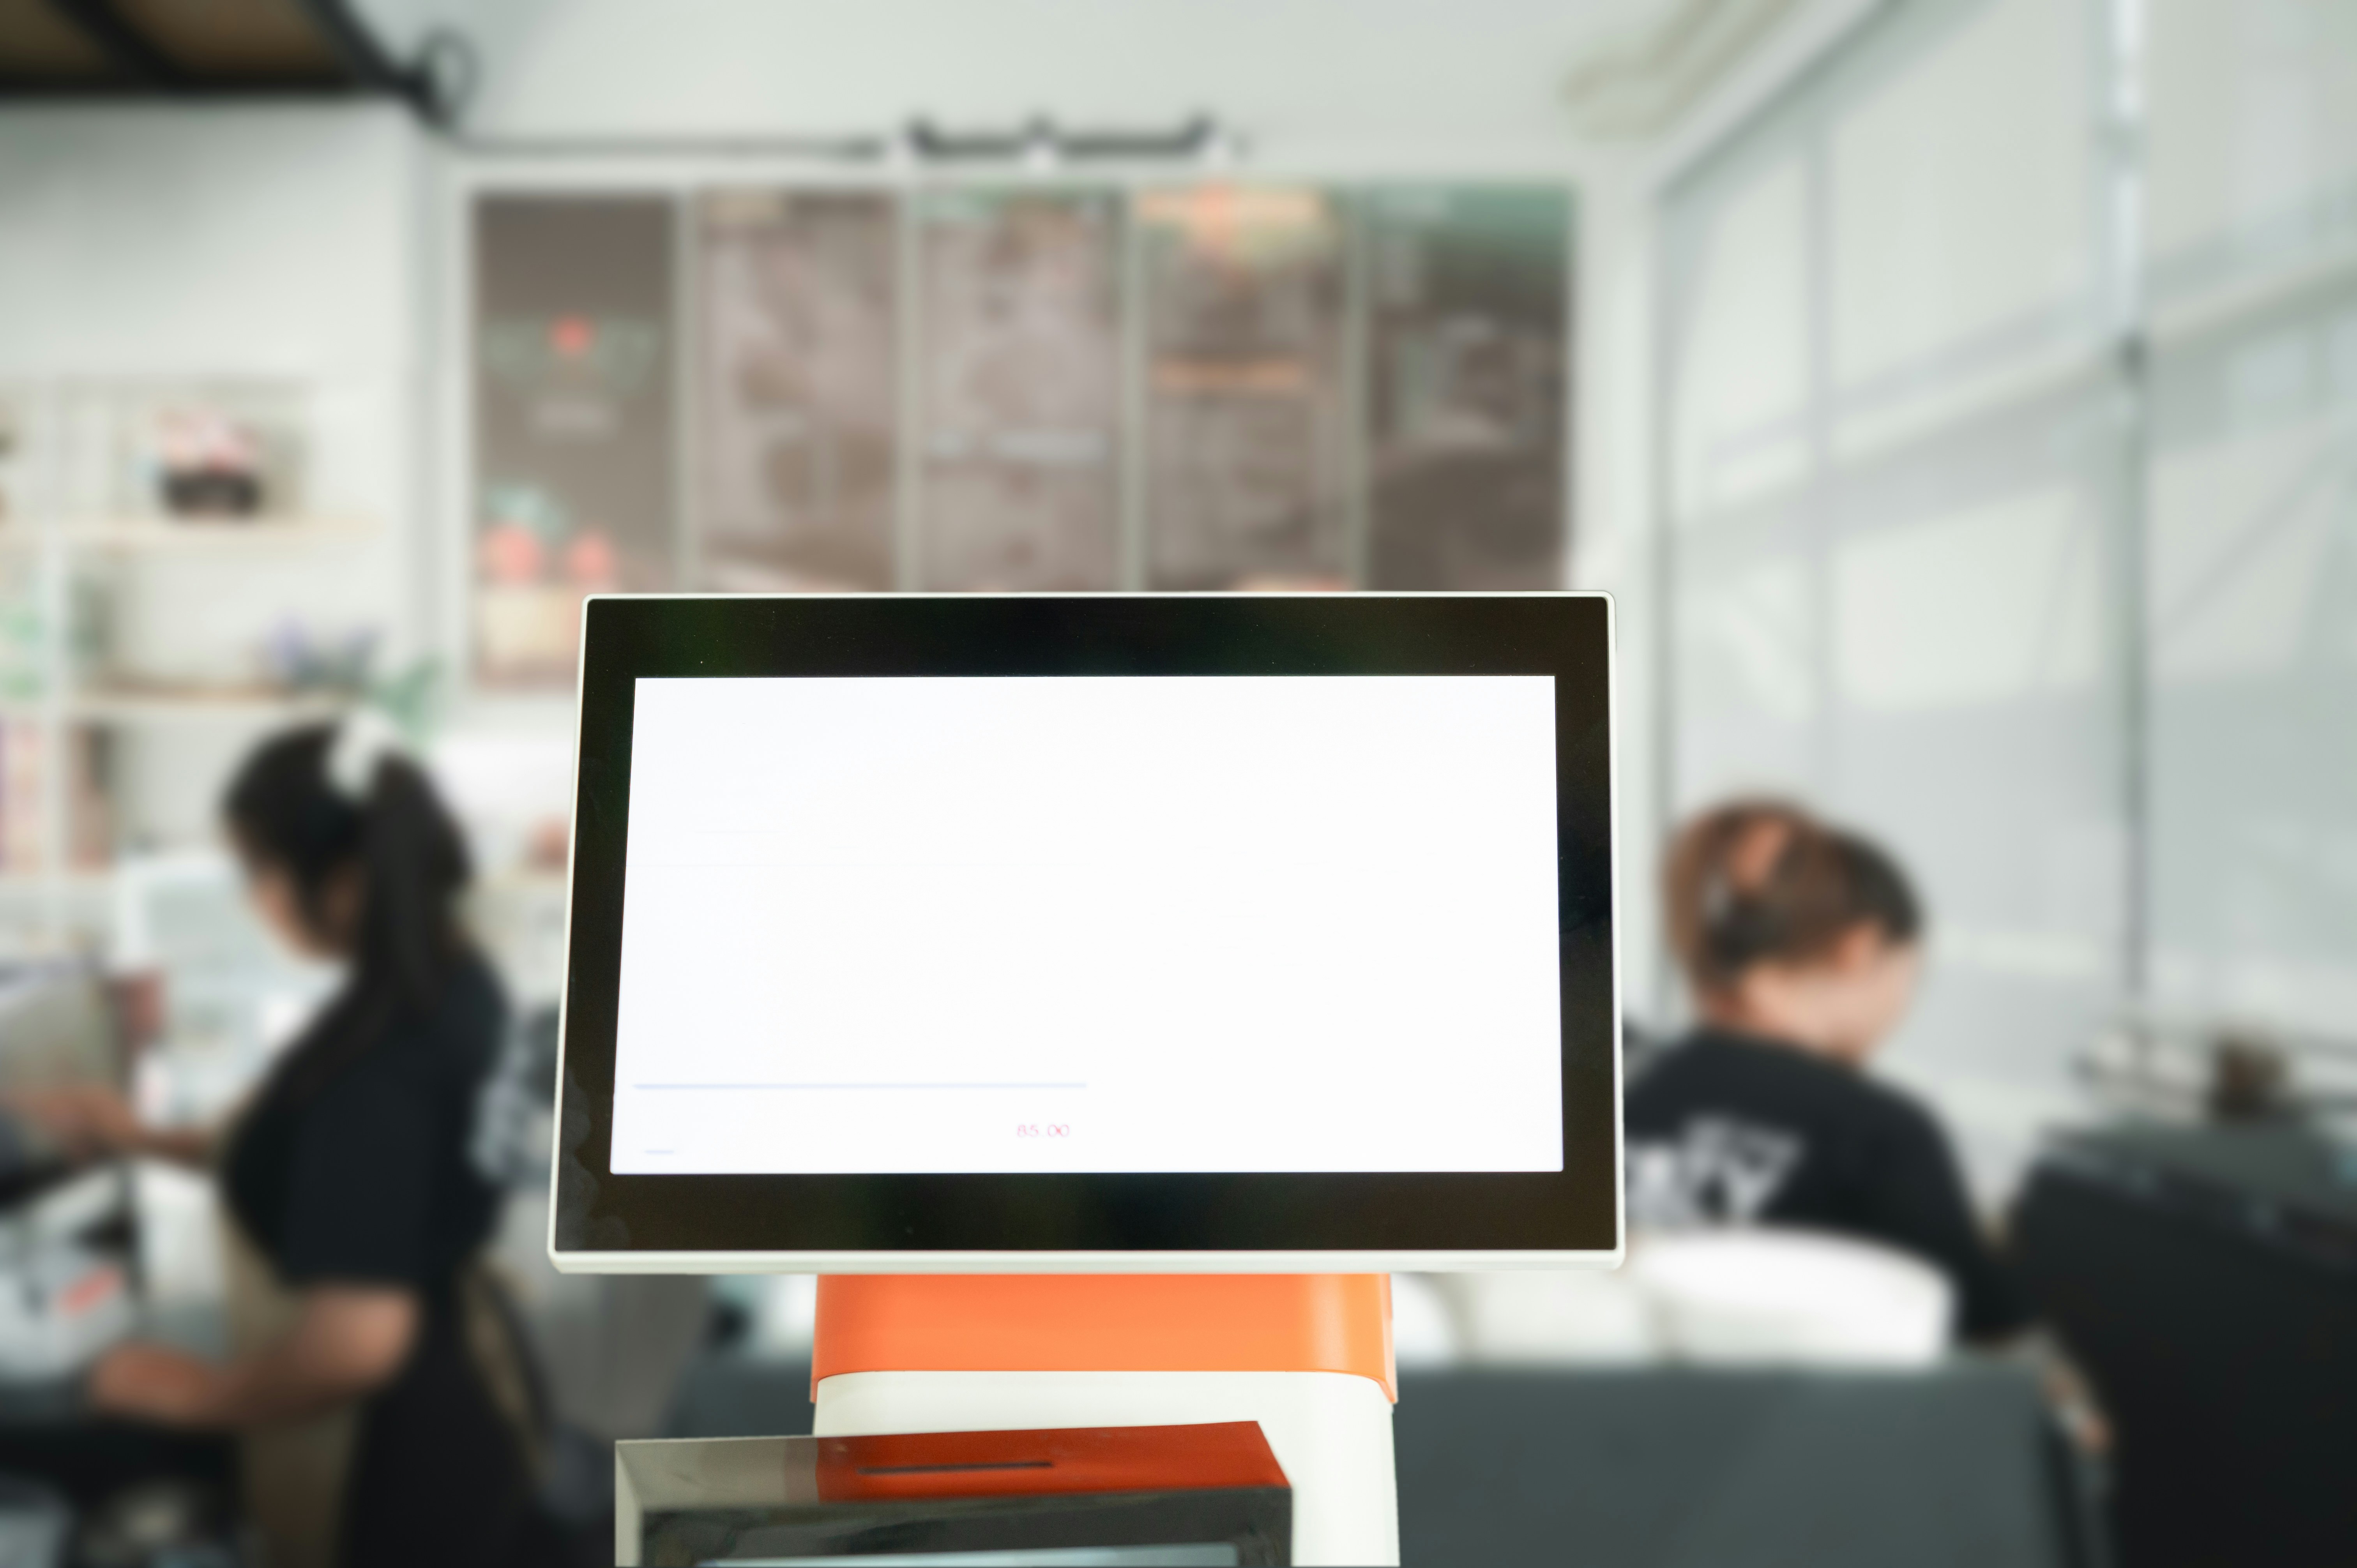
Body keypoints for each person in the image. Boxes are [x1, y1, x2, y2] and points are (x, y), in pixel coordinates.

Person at [65, 713, 551, 1568]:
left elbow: (357, 1341)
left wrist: (196, 1392)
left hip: (395, 1452)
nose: (252, 898)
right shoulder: (450, 982)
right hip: (473, 1390)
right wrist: (138, 1135)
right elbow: (318, 1153)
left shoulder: (384, 1064)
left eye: (260, 869)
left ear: (348, 882)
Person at [1624, 799, 2031, 1342]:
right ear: (1858, 951)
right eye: (1908, 975)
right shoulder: (1879, 1136)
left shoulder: (1629, 1091)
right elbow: (1985, 1330)